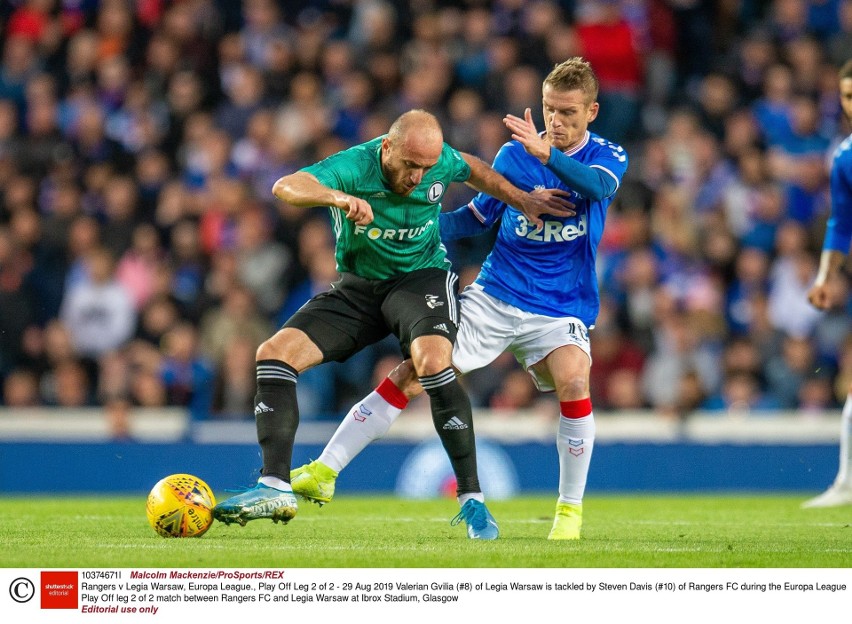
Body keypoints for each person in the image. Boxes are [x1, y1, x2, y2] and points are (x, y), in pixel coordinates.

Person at [290, 58, 628, 540]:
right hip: (496, 295)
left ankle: (568, 514)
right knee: (414, 371)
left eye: (569, 113)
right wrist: (411, 229)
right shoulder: (514, 158)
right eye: (550, 109)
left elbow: (595, 188)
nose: (557, 121)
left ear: (591, 111)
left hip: (561, 307)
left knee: (576, 381)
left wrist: (548, 155)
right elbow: (474, 216)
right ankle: (325, 470)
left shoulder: (607, 156)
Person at [212, 109, 574, 539]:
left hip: (420, 279)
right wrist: (338, 199)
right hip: (359, 288)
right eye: (410, 166)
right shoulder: (354, 166)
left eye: (427, 167)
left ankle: (473, 501)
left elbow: (475, 169)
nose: (419, 178)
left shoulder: (437, 159)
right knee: (272, 354)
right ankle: (274, 486)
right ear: (388, 147)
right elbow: (286, 186)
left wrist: (522, 200)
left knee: (432, 362)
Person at [803, 59, 852, 509]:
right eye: (846, 96)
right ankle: (846, 484)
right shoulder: (844, 157)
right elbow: (840, 224)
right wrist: (824, 278)